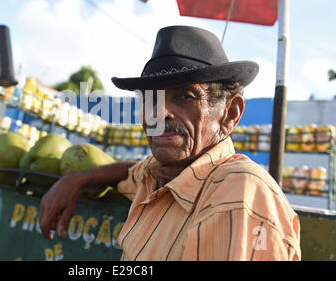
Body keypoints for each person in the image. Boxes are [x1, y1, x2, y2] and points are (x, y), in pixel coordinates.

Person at [39, 26, 301, 261]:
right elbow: (131, 170)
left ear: (229, 113)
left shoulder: (239, 195)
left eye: (186, 96)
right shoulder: (158, 174)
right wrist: (74, 180)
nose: (160, 113)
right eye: (152, 99)